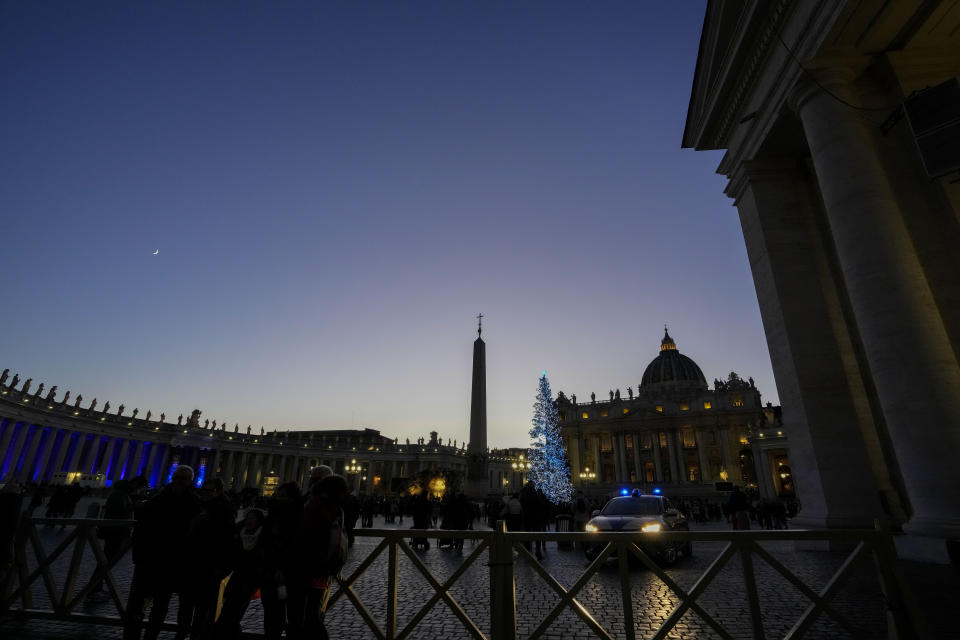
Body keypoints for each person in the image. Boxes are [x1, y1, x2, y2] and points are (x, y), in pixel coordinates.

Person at [124, 465, 202, 640]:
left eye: (183, 478)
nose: (179, 481)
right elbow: (142, 529)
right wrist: (139, 555)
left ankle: (156, 635)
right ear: (173, 478)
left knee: (163, 604)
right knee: (143, 603)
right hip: (153, 559)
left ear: (189, 481)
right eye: (177, 477)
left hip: (177, 562)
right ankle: (139, 635)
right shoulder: (159, 499)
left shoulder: (193, 502)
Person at [293, 474, 350, 640]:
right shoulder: (336, 507)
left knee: (307, 615)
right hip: (321, 568)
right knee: (312, 613)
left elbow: (306, 535)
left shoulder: (317, 506)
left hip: (309, 566)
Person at [179, 478, 236, 640]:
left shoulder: (224, 510)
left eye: (209, 491)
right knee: (186, 606)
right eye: (203, 490)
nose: (205, 493)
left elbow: (226, 541)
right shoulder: (199, 506)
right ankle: (183, 634)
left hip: (209, 567)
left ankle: (197, 636)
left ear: (218, 491)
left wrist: (220, 568)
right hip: (192, 564)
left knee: (203, 609)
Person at [214, 509, 267, 640]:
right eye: (248, 518)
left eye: (253, 518)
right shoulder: (239, 534)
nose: (249, 521)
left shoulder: (262, 537)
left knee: (236, 611)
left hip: (250, 580)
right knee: (228, 610)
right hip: (237, 577)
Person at [260, 481, 303, 640]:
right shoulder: (273, 514)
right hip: (269, 570)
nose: (279, 498)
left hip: (286, 572)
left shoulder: (296, 517)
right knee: (269, 609)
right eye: (278, 495)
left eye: (283, 496)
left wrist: (281, 569)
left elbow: (292, 545)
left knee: (282, 611)